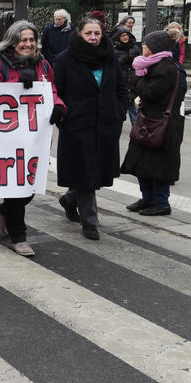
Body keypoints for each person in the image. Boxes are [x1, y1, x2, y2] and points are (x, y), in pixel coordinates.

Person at [0, 21, 65, 257]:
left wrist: (58, 106)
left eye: (31, 40)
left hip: (35, 139)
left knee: (29, 187)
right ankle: (19, 236)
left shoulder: (44, 64)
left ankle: (4, 210)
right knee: (17, 186)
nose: (28, 44)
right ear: (12, 41)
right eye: (23, 40)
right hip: (8, 138)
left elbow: (52, 91)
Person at [53, 17, 128, 241]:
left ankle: (69, 199)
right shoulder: (65, 59)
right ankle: (90, 221)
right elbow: (57, 91)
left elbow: (121, 88)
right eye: (89, 33)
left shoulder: (110, 57)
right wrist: (65, 116)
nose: (93, 38)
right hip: (78, 125)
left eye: (97, 33)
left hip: (105, 124)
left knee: (94, 171)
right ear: (79, 34)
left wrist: (119, 113)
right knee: (86, 173)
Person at [121, 31, 187, 216]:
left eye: (146, 44)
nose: (143, 46)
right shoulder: (154, 65)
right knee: (143, 163)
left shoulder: (166, 68)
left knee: (158, 166)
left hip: (161, 124)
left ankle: (161, 203)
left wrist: (137, 80)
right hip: (149, 120)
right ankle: (148, 198)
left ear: (153, 48)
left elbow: (150, 93)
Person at [111, 24, 140, 124]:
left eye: (126, 35)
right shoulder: (114, 49)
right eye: (122, 35)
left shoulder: (135, 47)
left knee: (134, 109)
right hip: (121, 82)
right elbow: (113, 65)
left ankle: (136, 133)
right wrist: (124, 59)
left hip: (133, 82)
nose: (125, 37)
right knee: (120, 110)